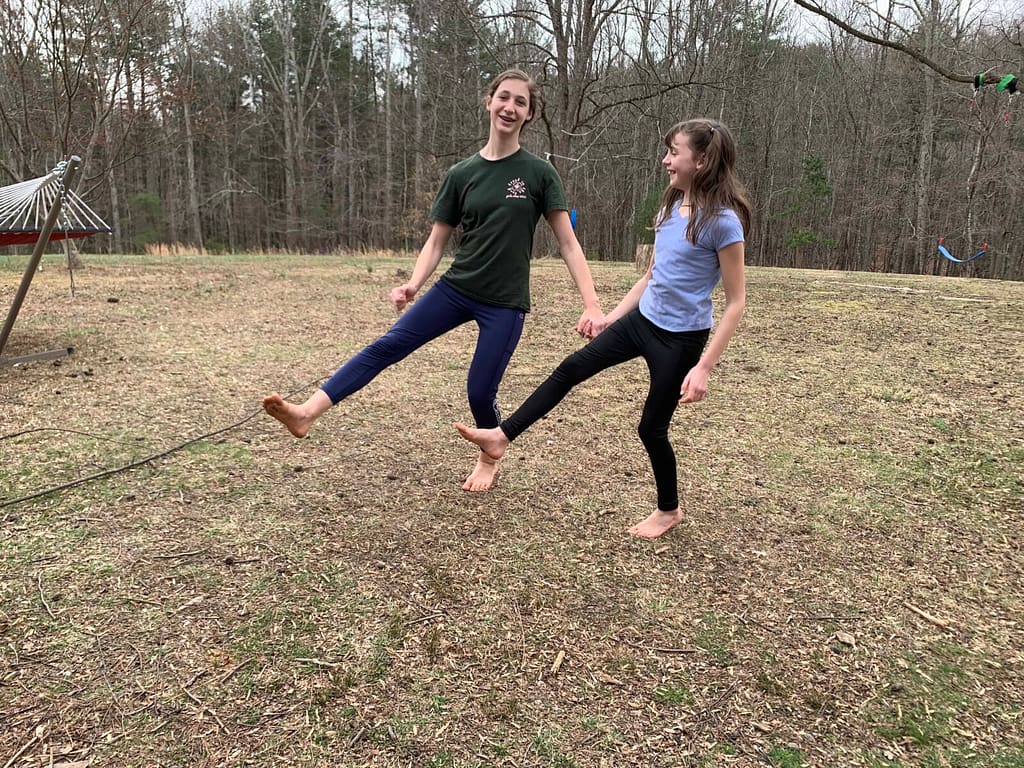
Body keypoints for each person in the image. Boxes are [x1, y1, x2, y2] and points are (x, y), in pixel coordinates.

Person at [263, 69, 603, 492]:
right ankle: (307, 412)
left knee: (480, 390)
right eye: (504, 97)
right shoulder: (461, 174)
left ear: (529, 114)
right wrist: (413, 284)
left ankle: (489, 452)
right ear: (488, 101)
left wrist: (591, 304)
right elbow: (437, 241)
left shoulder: (538, 173)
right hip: (456, 288)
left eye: (520, 102)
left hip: (504, 301)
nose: (510, 108)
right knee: (387, 346)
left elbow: (569, 245)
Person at [456, 118, 750, 538]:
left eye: (674, 152)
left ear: (700, 161)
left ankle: (668, 511)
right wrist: (612, 315)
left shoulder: (722, 222)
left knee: (651, 427)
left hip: (681, 340)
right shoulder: (670, 205)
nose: (666, 160)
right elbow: (652, 274)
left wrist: (703, 367)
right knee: (571, 368)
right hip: (642, 321)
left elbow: (736, 303)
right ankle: (502, 436)